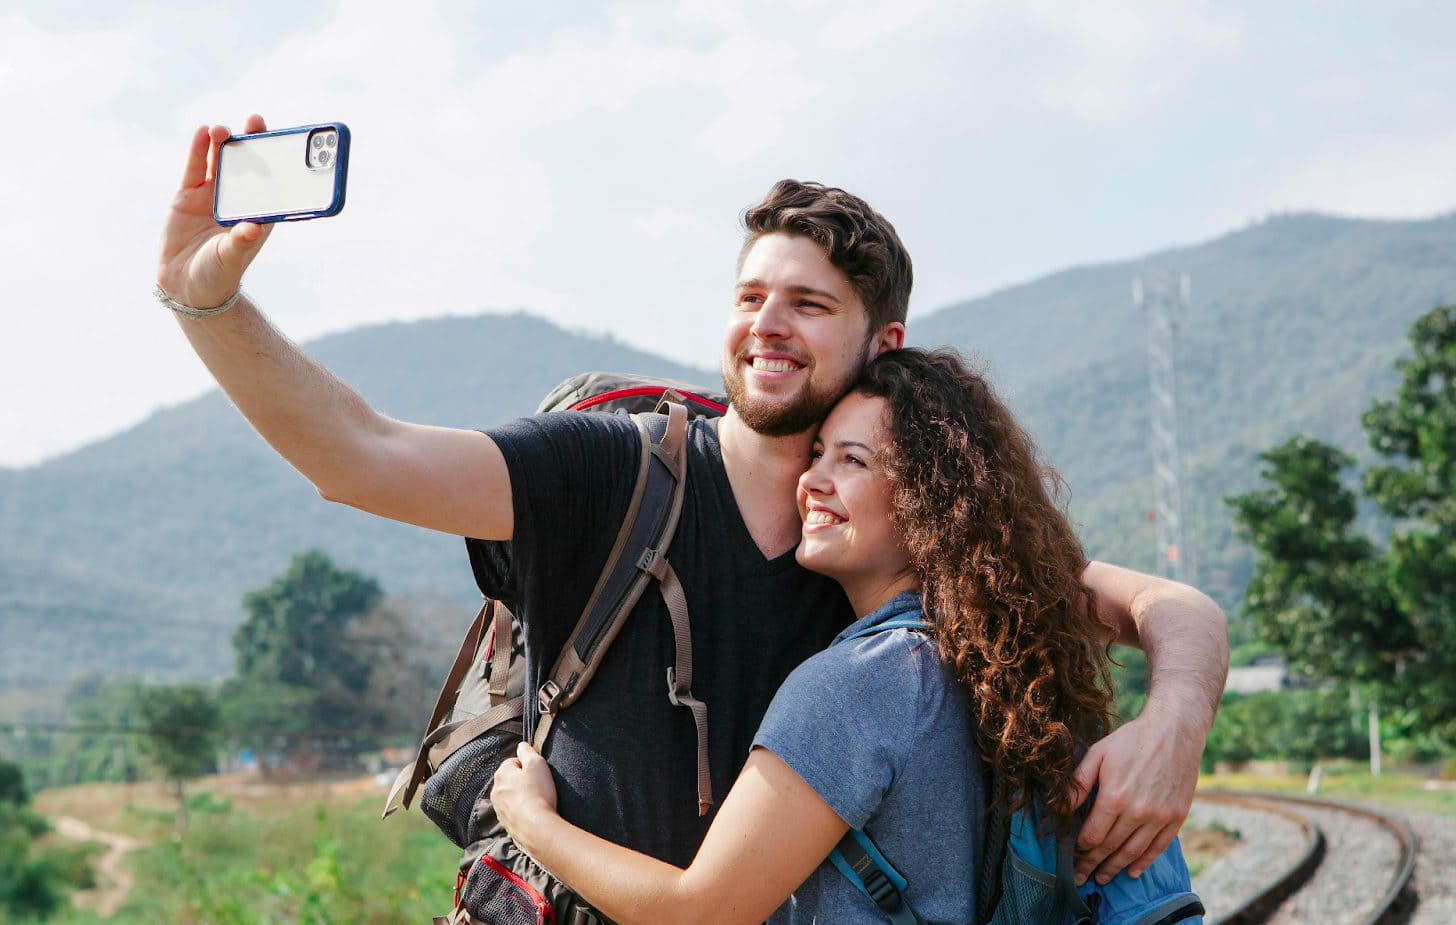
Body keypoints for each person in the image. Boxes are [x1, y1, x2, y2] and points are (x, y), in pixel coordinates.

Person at [154, 114, 1228, 893]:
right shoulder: (608, 471)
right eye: (751, 295)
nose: (769, 324)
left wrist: (1171, 730)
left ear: (882, 344)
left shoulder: (886, 536)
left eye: (809, 303)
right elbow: (360, 456)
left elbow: (1172, 609)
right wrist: (206, 304)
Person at [489, 347, 1121, 924]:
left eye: (853, 460)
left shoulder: (861, 682)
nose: (812, 480)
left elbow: (698, 914)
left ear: (933, 502)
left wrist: (532, 821)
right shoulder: (995, 662)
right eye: (817, 454)